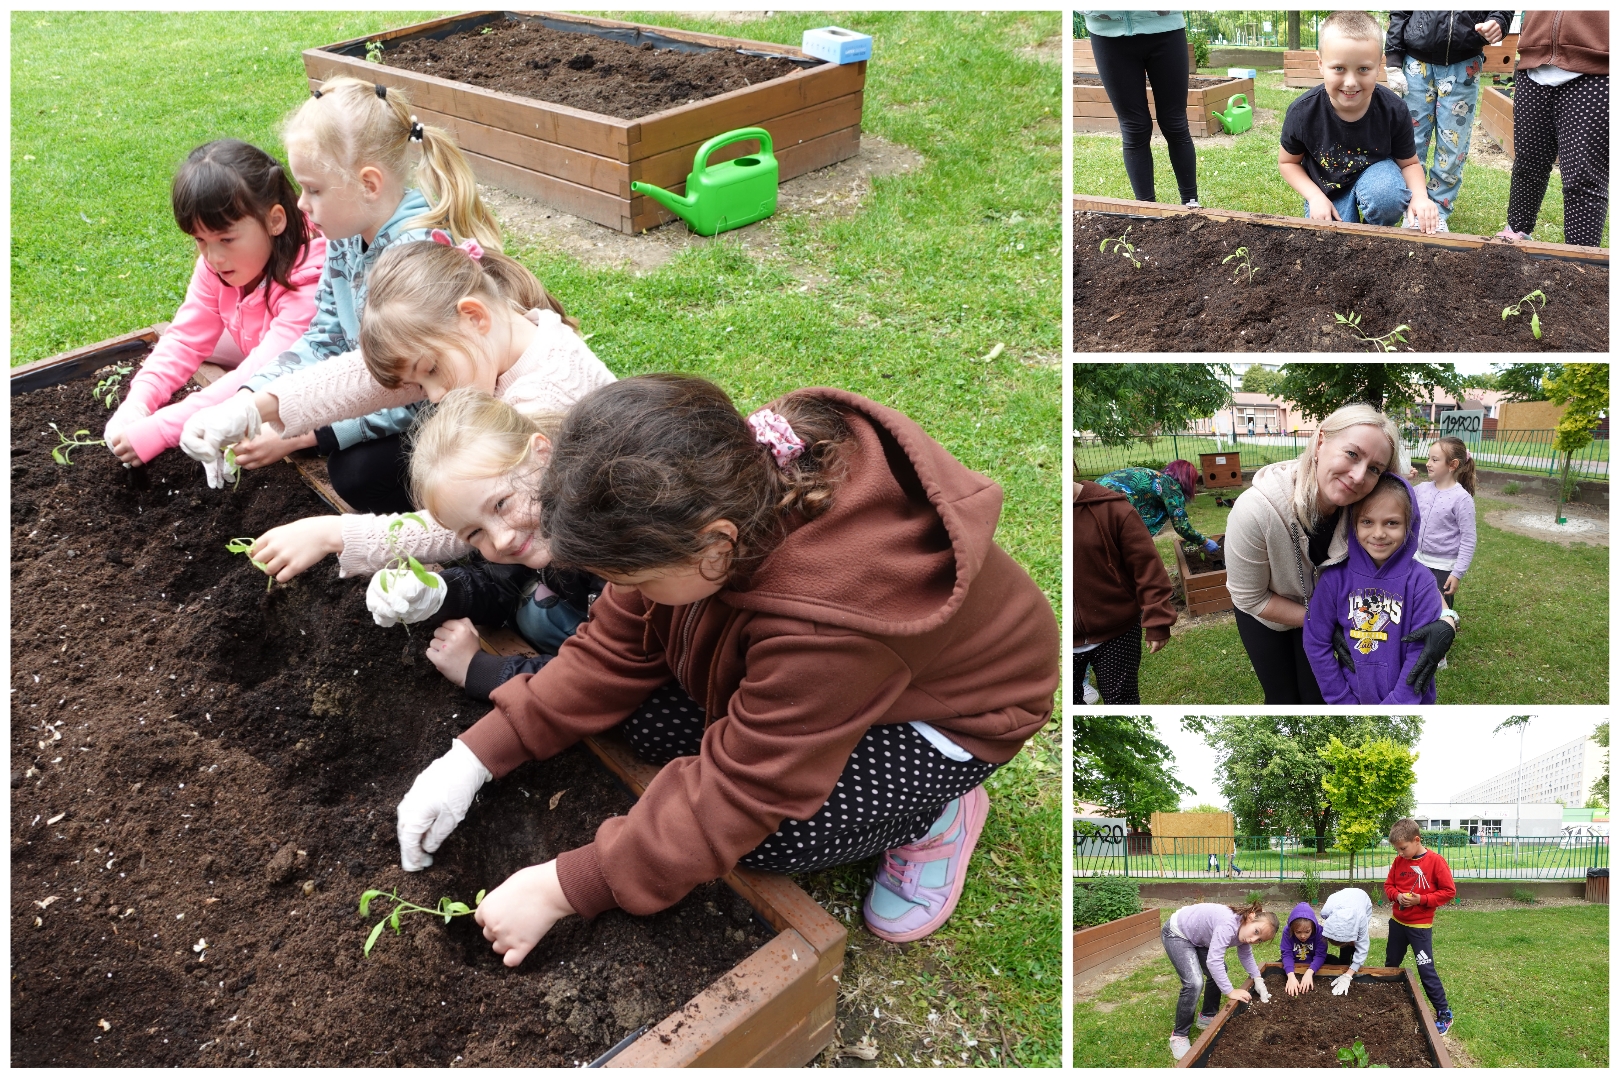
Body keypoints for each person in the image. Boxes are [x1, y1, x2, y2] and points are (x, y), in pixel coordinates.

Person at [394, 375, 1059, 956]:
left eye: (638, 583)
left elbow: (744, 792)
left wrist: (564, 886)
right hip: (834, 685)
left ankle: (936, 814)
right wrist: (472, 759)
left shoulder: (823, 622)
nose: (628, 595)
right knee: (645, 721)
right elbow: (612, 648)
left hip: (950, 718)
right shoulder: (696, 499)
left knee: (771, 839)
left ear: (715, 549)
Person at [180, 75, 503, 512]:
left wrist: (307, 433)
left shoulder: (415, 256)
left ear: (368, 184)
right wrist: (245, 402)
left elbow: (420, 388)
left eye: (313, 189)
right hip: (384, 388)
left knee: (357, 472)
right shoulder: (346, 234)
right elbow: (324, 337)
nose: (300, 204)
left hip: (448, 408)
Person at [183, 234, 613, 542]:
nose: (433, 395)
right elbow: (358, 379)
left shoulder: (542, 395)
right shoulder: (491, 341)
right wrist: (251, 408)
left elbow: (466, 521)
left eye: (430, 371)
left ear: (474, 316)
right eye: (418, 383)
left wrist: (337, 534)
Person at [103, 140, 326, 466]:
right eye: (200, 240)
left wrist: (163, 429)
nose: (213, 257)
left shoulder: (309, 282)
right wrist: (137, 403)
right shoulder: (217, 265)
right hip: (259, 346)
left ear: (275, 220)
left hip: (314, 383)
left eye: (226, 239)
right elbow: (184, 340)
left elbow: (260, 372)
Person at [1224, 402, 1456, 704]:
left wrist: (1447, 619)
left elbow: (1403, 571)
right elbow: (1251, 598)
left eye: (1374, 468)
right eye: (1352, 454)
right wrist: (1326, 622)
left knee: (1315, 698)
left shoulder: (1363, 504)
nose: (1358, 476)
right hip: (1270, 610)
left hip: (1334, 609)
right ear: (1321, 440)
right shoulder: (1254, 512)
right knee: (1283, 698)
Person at [377, 390, 604, 698]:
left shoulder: (612, 549)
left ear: (542, 453)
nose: (500, 538)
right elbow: (497, 583)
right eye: (474, 533)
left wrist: (478, 670)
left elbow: (600, 677)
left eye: (500, 504)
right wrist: (436, 593)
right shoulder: (540, 521)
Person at [1280, 10, 1441, 233]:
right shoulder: (1302, 113)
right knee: (1333, 239)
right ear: (1320, 63)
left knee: (1387, 196)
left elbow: (1409, 163)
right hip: (1328, 191)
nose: (1350, 82)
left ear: (1378, 66)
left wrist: (1421, 197)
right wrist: (1315, 196)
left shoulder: (1394, 110)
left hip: (1377, 181)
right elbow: (1288, 163)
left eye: (1363, 69)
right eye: (1339, 68)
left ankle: (1374, 234)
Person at [1303, 471, 1447, 704]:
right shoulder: (1334, 580)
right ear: (1353, 524)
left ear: (1409, 524)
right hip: (1351, 700)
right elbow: (1316, 642)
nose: (1379, 534)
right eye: (1367, 522)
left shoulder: (1421, 582)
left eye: (1392, 523)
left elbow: (1420, 654)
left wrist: (1396, 707)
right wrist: (1341, 700)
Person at [1385, 11, 1513, 231]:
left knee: (1454, 144)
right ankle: (1412, 206)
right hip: (1416, 62)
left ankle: (1438, 210)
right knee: (1410, 141)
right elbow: (1400, 10)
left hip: (1464, 62)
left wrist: (1499, 19)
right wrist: (1393, 57)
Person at [1496, 12, 1609, 248]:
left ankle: (1580, 257)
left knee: (1583, 176)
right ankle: (1516, 232)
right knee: (1528, 164)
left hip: (1598, 71)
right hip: (1533, 66)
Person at [1073, 477, 1178, 705]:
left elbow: (1147, 566)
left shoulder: (1114, 509)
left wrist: (1158, 618)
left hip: (1118, 633)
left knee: (1122, 702)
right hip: (1056, 638)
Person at [1080, 11, 1201, 207]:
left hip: (1165, 26)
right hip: (1107, 32)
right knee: (1135, 127)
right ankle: (1146, 210)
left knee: (1175, 123)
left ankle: (1191, 204)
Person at [1160, 900, 1279, 1062]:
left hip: (1198, 936)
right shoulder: (1228, 925)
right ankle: (1179, 1035)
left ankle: (1206, 1016)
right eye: (1256, 931)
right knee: (1194, 983)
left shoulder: (1244, 931)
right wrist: (1230, 991)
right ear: (1250, 917)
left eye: (1259, 940)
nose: (1253, 939)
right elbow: (1213, 961)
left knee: (1219, 971)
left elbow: (1246, 955)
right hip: (1178, 933)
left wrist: (1257, 978)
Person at [1384, 818, 1457, 1033]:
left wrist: (1421, 900)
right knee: (1391, 963)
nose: (1400, 853)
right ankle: (1387, 999)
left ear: (1417, 840)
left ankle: (1444, 1013)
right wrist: (1397, 896)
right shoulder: (1399, 861)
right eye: (1397, 850)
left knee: (1426, 970)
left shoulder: (1436, 862)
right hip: (1397, 924)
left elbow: (1448, 892)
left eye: (1403, 848)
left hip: (1420, 927)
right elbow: (1389, 886)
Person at [1096, 460, 1219, 552]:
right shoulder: (1170, 486)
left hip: (1094, 493)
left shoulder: (1156, 477)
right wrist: (1205, 541)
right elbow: (1182, 526)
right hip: (1106, 503)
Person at [1414, 436, 1478, 609]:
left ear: (1452, 465)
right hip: (1417, 561)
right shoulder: (1421, 489)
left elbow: (1468, 539)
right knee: (1415, 604)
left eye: (1434, 460)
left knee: (1439, 611)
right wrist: (1405, 477)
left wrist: (1457, 573)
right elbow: (1400, 495)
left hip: (1442, 569)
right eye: (1428, 458)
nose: (1428, 463)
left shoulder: (1461, 499)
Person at [1319, 886, 1374, 994]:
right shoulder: (1326, 910)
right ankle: (1345, 964)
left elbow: (1363, 948)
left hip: (1361, 898)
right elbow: (1329, 920)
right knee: (1345, 952)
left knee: (1356, 945)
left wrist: (1348, 976)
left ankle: (1352, 970)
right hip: (1342, 897)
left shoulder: (1361, 918)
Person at [1281, 902, 1328, 996]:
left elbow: (1320, 955)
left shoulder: (1320, 932)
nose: (1303, 936)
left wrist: (1309, 973)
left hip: (1313, 961)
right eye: (1298, 932)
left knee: (1335, 961)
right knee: (1276, 969)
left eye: (1307, 932)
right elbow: (1287, 954)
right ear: (1292, 929)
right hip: (1294, 962)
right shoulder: (1287, 931)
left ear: (1313, 927)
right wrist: (1290, 976)